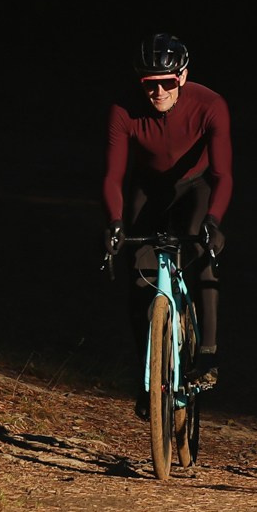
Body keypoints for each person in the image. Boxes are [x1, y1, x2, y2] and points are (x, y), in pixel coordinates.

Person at [103, 33, 233, 398]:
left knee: (202, 248)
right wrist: (115, 222)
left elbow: (223, 174)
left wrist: (214, 220)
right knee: (137, 277)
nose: (158, 92)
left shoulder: (210, 105)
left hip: (196, 186)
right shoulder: (124, 109)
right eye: (149, 84)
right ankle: (148, 379)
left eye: (168, 83)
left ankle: (208, 354)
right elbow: (113, 175)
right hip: (148, 188)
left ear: (183, 77)